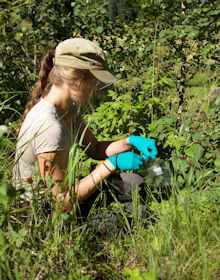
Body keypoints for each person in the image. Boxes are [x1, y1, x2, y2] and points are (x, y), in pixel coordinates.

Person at [13, 38, 158, 212]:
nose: (96, 87)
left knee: (134, 182)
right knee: (139, 214)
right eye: (95, 80)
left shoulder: (66, 111)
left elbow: (95, 148)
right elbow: (61, 204)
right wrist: (111, 165)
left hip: (61, 197)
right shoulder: (50, 126)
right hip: (42, 213)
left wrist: (131, 141)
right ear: (78, 78)